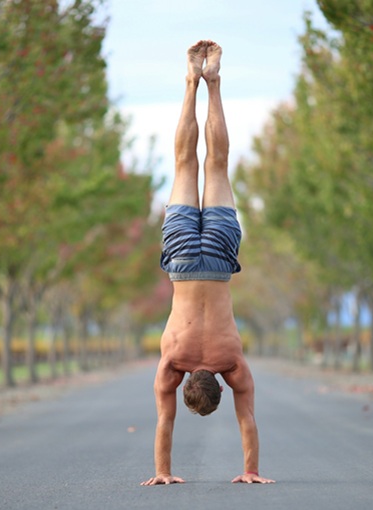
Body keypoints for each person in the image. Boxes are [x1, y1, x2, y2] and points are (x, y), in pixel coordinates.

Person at [141, 40, 274, 486]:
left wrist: (251, 470)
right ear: (186, 384)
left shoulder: (231, 361)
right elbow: (165, 421)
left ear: (219, 384)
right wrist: (162, 472)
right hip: (181, 260)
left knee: (216, 164)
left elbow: (247, 419)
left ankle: (211, 82)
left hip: (217, 260)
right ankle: (190, 82)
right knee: (184, 164)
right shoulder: (172, 362)